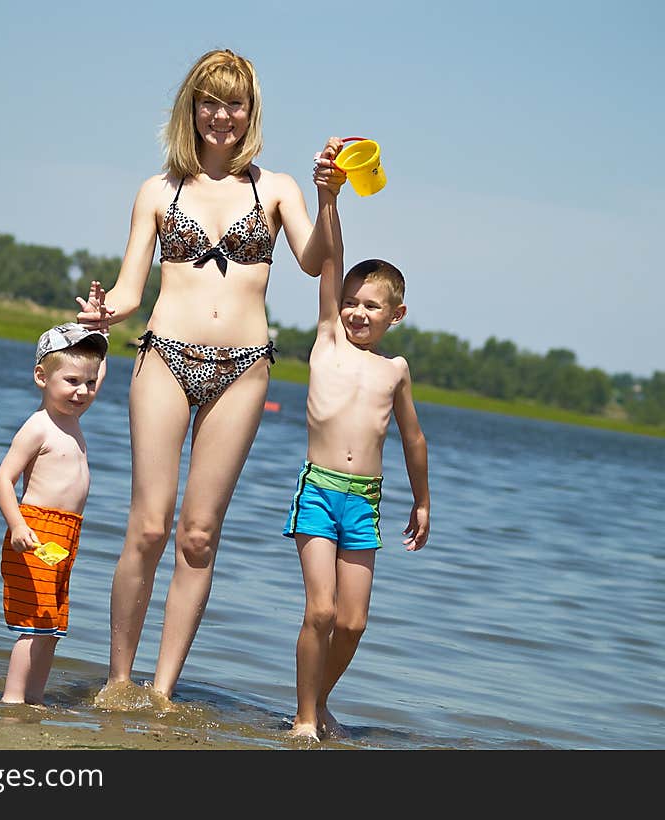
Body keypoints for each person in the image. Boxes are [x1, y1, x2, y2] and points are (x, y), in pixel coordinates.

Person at [76, 49, 344, 703]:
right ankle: (118, 682)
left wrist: (328, 197)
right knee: (149, 526)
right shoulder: (158, 190)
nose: (222, 115)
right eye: (209, 101)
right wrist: (105, 310)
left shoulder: (276, 188)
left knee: (198, 536)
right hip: (165, 354)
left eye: (235, 103)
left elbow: (314, 261)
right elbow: (131, 286)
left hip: (244, 368)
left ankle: (162, 691)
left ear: (250, 112)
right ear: (190, 109)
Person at [283, 141, 430, 740]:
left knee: (353, 623)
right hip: (319, 491)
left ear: (396, 314)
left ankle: (318, 700)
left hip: (365, 501)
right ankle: (302, 719)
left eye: (372, 306)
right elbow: (329, 259)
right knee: (319, 610)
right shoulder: (327, 342)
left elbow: (414, 441)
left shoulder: (393, 370)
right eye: (350, 303)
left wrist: (422, 500)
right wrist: (328, 196)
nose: (357, 312)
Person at [0, 304, 109, 705]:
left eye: (90, 384)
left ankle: (35, 698)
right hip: (35, 530)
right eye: (72, 381)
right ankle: (12, 698)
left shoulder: (73, 418)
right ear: (42, 377)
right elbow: (3, 479)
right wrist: (18, 527)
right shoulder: (39, 425)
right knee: (34, 623)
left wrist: (100, 328)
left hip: (66, 532)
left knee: (52, 625)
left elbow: (98, 364)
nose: (82, 391)